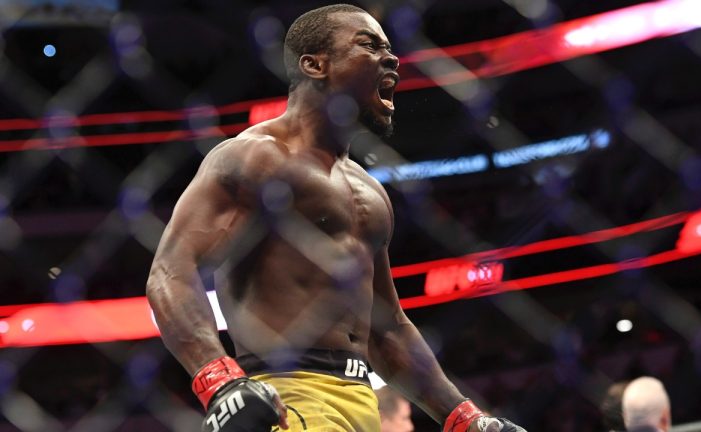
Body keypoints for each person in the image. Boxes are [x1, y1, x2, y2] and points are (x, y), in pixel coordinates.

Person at [146, 4, 525, 432]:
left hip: (362, 403)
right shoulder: (253, 157)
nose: (393, 58)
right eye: (369, 44)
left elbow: (389, 329)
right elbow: (169, 272)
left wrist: (466, 418)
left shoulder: (371, 191)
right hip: (287, 399)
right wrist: (220, 382)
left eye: (390, 47)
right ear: (315, 64)